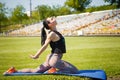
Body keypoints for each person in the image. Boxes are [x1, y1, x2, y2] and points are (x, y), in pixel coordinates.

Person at [3, 17, 78, 75]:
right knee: (75, 71)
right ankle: (54, 70)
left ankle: (14, 71)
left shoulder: (53, 32)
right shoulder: (52, 34)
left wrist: (46, 29)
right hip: (54, 59)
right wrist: (36, 55)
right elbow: (45, 45)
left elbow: (47, 31)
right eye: (52, 19)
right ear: (50, 24)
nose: (54, 18)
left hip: (51, 57)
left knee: (35, 71)